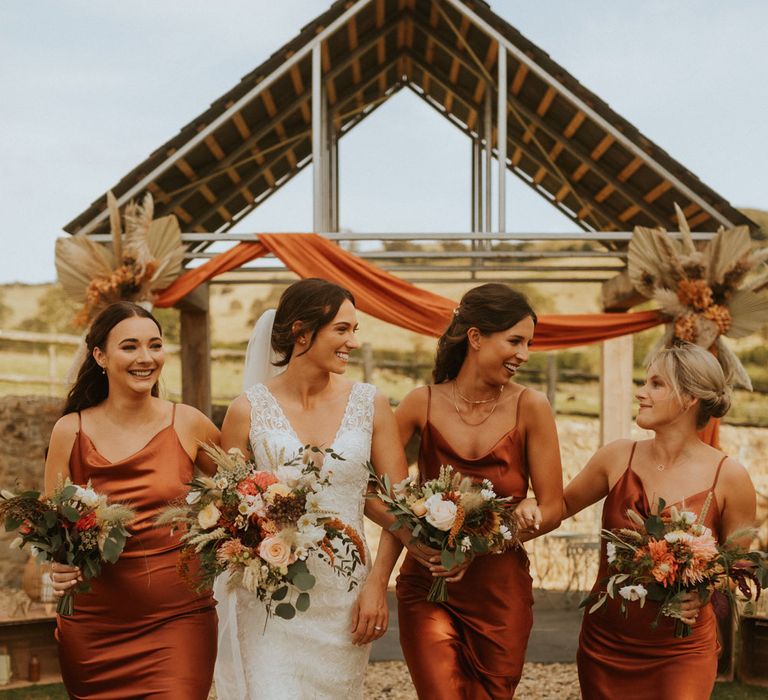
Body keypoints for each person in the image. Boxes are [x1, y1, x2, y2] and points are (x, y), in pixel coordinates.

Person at [215, 278, 409, 700]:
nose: (353, 342)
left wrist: (378, 584)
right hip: (270, 596)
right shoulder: (246, 410)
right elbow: (228, 511)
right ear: (301, 332)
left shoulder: (371, 403)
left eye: (354, 330)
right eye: (342, 329)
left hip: (345, 594)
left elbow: (400, 508)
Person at [394, 283, 563, 699]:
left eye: (528, 343)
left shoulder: (532, 407)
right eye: (515, 340)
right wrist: (409, 541)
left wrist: (482, 544)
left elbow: (554, 506)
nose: (524, 354)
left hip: (499, 592)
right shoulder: (421, 403)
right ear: (475, 337)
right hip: (427, 583)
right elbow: (375, 485)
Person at [46, 301, 220, 700]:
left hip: (178, 621)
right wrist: (54, 566)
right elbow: (48, 533)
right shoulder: (69, 432)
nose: (146, 358)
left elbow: (244, 494)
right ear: (100, 356)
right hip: (93, 631)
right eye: (130, 347)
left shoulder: (188, 422)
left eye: (155, 345)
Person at [564, 342, 757, 699]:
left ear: (689, 397)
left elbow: (735, 566)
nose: (641, 392)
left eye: (656, 384)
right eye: (644, 381)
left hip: (681, 652)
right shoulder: (616, 457)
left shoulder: (729, 477)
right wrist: (479, 526)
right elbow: (553, 508)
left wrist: (703, 592)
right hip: (605, 644)